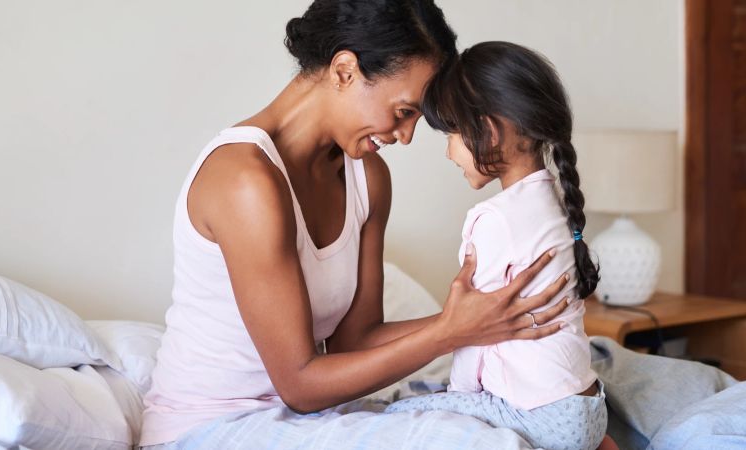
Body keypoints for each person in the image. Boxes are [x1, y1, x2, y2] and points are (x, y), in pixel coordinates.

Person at [139, 2, 572, 448]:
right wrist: (451, 333)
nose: (404, 136)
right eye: (403, 111)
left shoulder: (368, 177)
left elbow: (355, 342)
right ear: (345, 71)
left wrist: (480, 317)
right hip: (211, 428)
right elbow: (301, 385)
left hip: (307, 422)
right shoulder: (245, 180)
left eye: (416, 120)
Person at [385, 41, 610, 450]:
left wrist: (456, 403)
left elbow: (472, 334)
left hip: (544, 416)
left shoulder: (493, 220)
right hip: (589, 410)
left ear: (488, 130)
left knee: (393, 415)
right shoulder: (559, 205)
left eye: (451, 132)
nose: (449, 150)